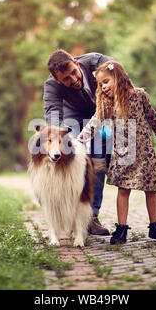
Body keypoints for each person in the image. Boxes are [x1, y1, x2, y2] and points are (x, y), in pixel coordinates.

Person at [77, 60, 156, 244]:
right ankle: (121, 229)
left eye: (106, 81)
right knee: (123, 189)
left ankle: (155, 226)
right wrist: (80, 139)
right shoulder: (107, 103)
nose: (103, 87)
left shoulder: (139, 95)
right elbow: (95, 123)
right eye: (100, 84)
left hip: (145, 153)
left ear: (118, 76)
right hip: (123, 154)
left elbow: (152, 117)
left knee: (151, 189)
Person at [43, 49, 112, 235]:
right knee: (73, 156)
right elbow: (53, 115)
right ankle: (69, 213)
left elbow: (121, 80)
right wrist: (59, 142)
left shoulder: (97, 62)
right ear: (57, 80)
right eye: (66, 79)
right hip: (73, 119)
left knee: (98, 160)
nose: (73, 79)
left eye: (74, 72)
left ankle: (92, 218)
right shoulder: (51, 86)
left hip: (104, 116)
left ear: (76, 62)